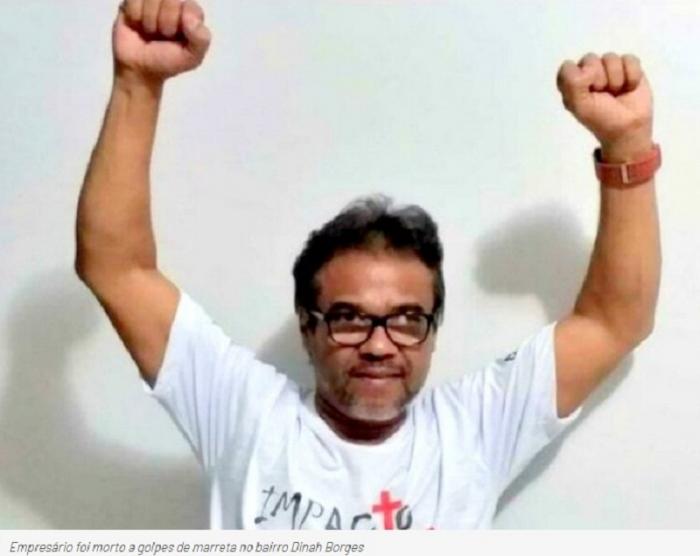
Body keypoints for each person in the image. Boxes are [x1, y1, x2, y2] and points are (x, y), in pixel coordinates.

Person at [75, 0, 661, 529]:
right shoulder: (247, 416)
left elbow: (614, 322)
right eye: (350, 318)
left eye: (407, 319)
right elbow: (116, 268)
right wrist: (137, 83)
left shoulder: (474, 432)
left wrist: (628, 144)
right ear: (308, 325)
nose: (380, 346)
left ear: (433, 329)